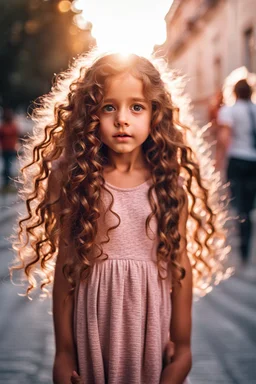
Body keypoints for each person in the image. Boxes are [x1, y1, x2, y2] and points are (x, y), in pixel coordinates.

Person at [10, 51, 228, 384]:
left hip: (150, 327)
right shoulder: (74, 179)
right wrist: (64, 352)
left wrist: (183, 347)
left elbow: (179, 265)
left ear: (156, 113)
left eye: (136, 107)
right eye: (108, 107)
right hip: (93, 325)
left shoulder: (170, 185)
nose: (122, 119)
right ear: (89, 113)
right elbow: (67, 265)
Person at [217, 79, 256, 264]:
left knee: (238, 205)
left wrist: (219, 161)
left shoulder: (229, 110)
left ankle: (242, 248)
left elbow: (224, 138)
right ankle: (246, 243)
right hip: (253, 162)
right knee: (248, 206)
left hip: (237, 160)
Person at [0, 108, 19, 191]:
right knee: (8, 166)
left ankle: (7, 182)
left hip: (9, 148)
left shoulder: (6, 127)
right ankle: (7, 181)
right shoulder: (10, 126)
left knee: (8, 166)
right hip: (7, 148)